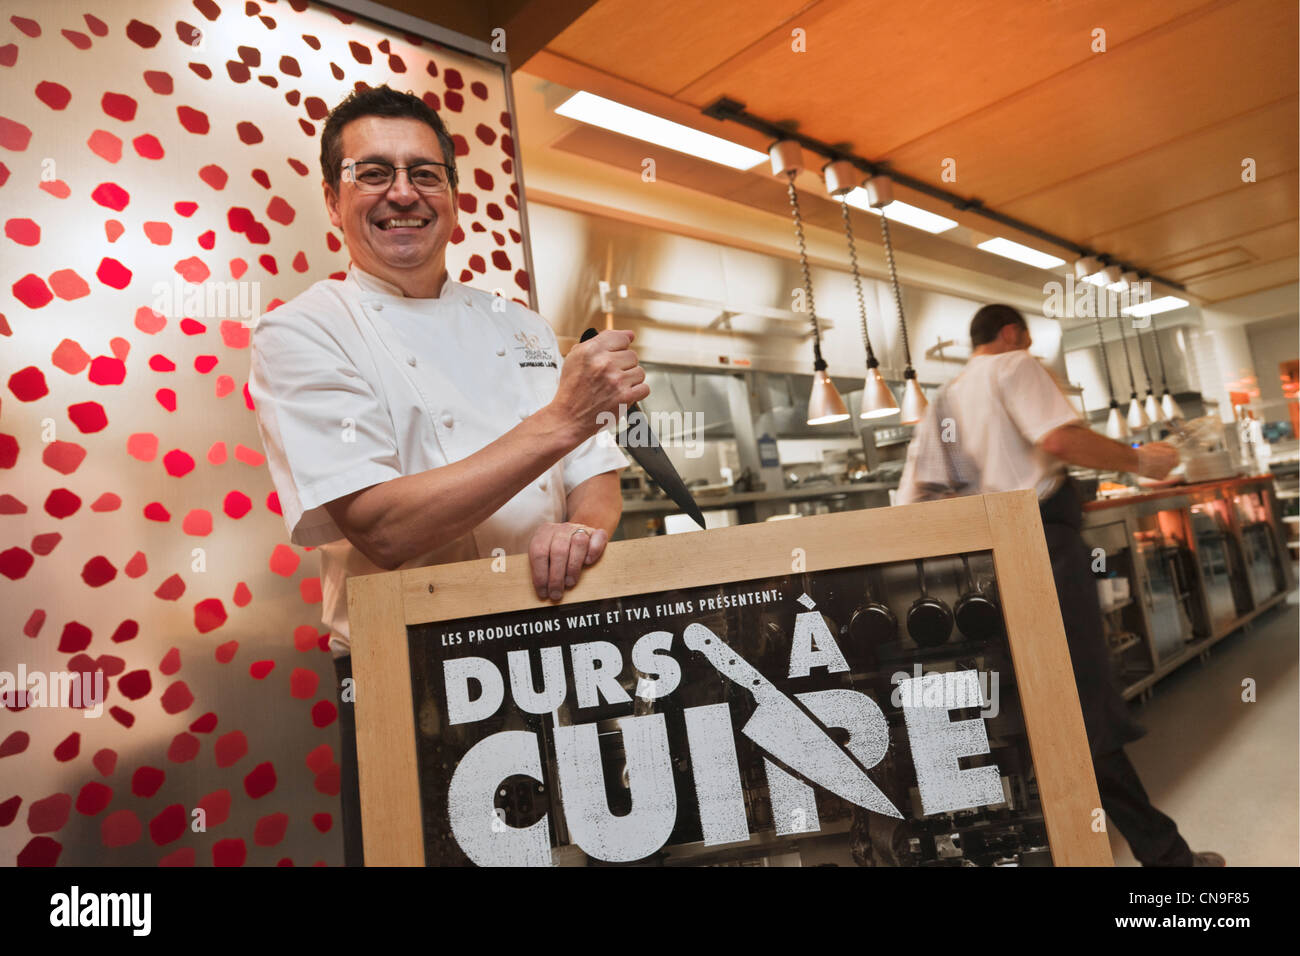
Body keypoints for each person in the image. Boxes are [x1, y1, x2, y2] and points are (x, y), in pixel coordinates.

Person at [248, 86, 645, 866]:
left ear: (454, 199)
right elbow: (385, 528)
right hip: (412, 677)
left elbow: (596, 473)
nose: (403, 192)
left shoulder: (521, 325)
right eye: (373, 173)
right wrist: (562, 417)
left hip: (558, 649)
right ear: (333, 200)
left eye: (425, 174)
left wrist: (581, 531)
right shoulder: (303, 332)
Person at [896, 303, 1224, 867]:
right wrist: (1142, 459)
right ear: (1011, 334)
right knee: (1081, 708)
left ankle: (1104, 852)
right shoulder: (1015, 364)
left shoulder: (944, 401)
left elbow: (910, 500)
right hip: (1042, 553)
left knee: (1019, 716)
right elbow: (1061, 441)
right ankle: (1168, 863)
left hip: (978, 575)